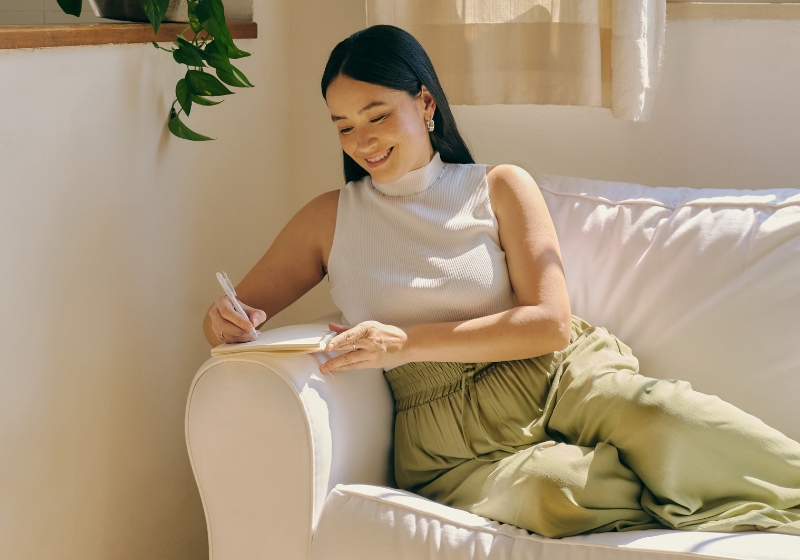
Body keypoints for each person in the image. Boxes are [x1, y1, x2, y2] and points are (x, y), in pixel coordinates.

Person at [203, 25, 800, 538]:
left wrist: (407, 343)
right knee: (552, 491)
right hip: (447, 438)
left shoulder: (500, 186)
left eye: (378, 115)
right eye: (342, 126)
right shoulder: (327, 219)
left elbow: (551, 325)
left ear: (426, 103)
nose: (362, 141)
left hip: (558, 376)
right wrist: (224, 321)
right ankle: (684, 487)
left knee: (668, 416)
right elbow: (236, 313)